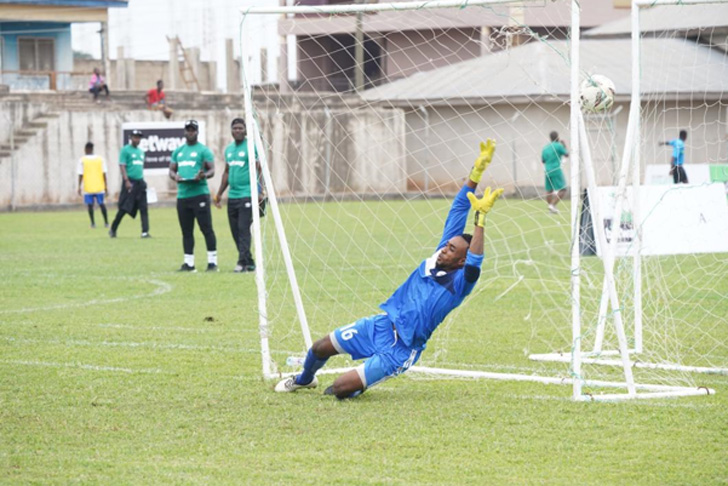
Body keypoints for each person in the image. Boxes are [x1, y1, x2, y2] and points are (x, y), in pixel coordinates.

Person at [275, 141, 504, 399]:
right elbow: (458, 208)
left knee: (339, 389)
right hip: (382, 325)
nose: (444, 249)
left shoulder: (460, 283)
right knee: (320, 347)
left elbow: (475, 262)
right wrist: (475, 173)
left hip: (402, 349)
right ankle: (304, 380)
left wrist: (480, 220)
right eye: (447, 246)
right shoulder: (437, 256)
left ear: (460, 261)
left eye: (451, 250)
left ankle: (364, 377)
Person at [169, 120, 218, 272]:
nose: (190, 132)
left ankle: (212, 262)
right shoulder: (178, 151)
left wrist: (203, 175)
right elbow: (171, 170)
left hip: (199, 194)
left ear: (197, 132)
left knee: (206, 229)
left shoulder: (203, 150)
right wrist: (175, 176)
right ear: (184, 132)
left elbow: (212, 171)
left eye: (193, 130)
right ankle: (189, 263)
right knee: (186, 231)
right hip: (183, 195)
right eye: (188, 130)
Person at [213, 118, 261, 273]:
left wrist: (260, 191)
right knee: (235, 231)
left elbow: (259, 169)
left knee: (243, 229)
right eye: (235, 128)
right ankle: (249, 262)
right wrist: (219, 193)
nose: (238, 131)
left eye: (241, 128)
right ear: (231, 131)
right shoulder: (229, 149)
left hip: (247, 194)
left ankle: (241, 263)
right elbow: (227, 172)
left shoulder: (251, 146)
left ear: (246, 130)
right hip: (232, 196)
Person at [109, 130, 150, 238]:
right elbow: (122, 165)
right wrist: (126, 180)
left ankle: (145, 232)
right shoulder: (125, 150)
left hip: (140, 182)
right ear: (131, 138)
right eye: (135, 137)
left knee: (143, 207)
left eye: (139, 137)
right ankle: (113, 228)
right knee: (124, 208)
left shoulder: (141, 152)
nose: (137, 139)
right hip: (130, 182)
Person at [77, 142, 109, 229]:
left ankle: (93, 223)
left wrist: (79, 187)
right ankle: (106, 223)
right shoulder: (100, 159)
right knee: (101, 204)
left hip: (88, 187)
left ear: (86, 149)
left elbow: (80, 174)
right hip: (99, 186)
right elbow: (104, 174)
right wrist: (106, 187)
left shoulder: (82, 160)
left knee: (90, 205)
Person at [541, 131, 569, 214]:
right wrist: (564, 145)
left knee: (549, 190)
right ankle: (552, 205)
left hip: (547, 170)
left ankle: (550, 209)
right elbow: (567, 154)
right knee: (563, 189)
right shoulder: (558, 146)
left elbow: (543, 160)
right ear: (558, 137)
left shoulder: (545, 148)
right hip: (556, 169)